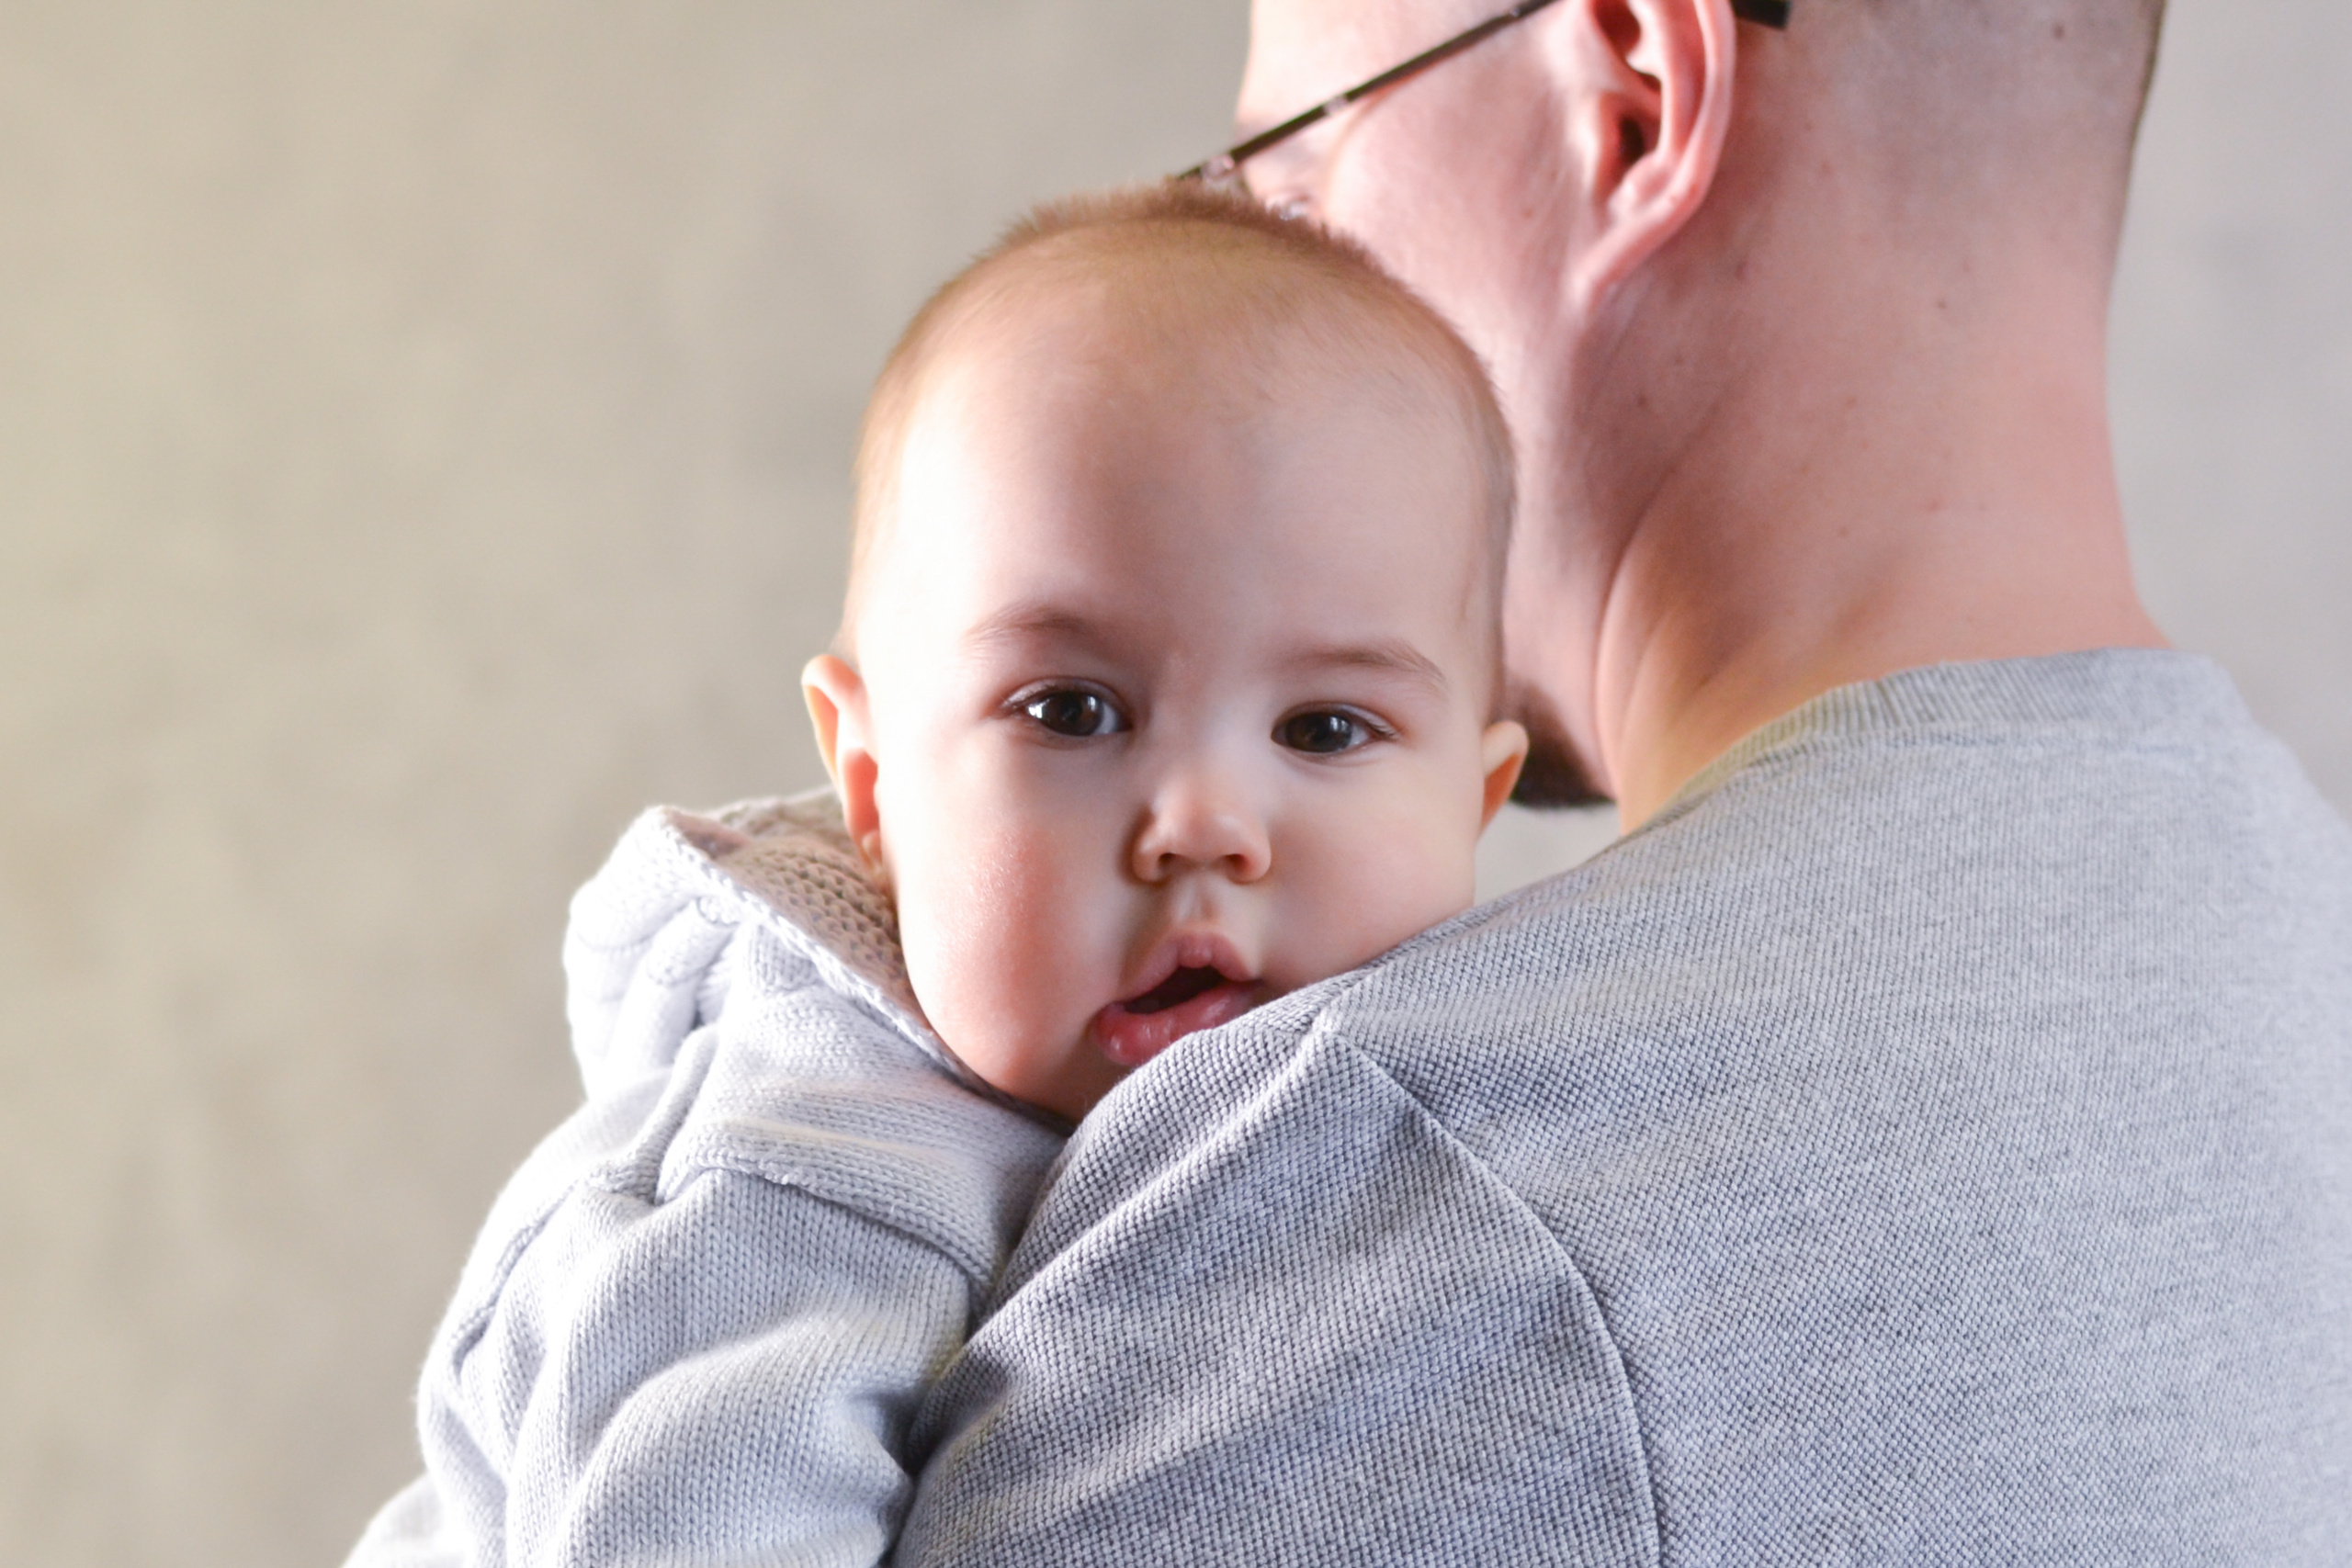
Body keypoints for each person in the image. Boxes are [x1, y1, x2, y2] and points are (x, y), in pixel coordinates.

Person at [893, 1, 2352, 1562]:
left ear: (1635, 100)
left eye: (1290, 189)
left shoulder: (1374, 1213)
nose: (1256, 294)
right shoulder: (2309, 969)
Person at [343, 183, 1529, 1567]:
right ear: (873, 786)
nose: (1205, 824)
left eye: (1326, 729)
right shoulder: (803, 1180)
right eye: (1072, 711)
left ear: (1478, 801)